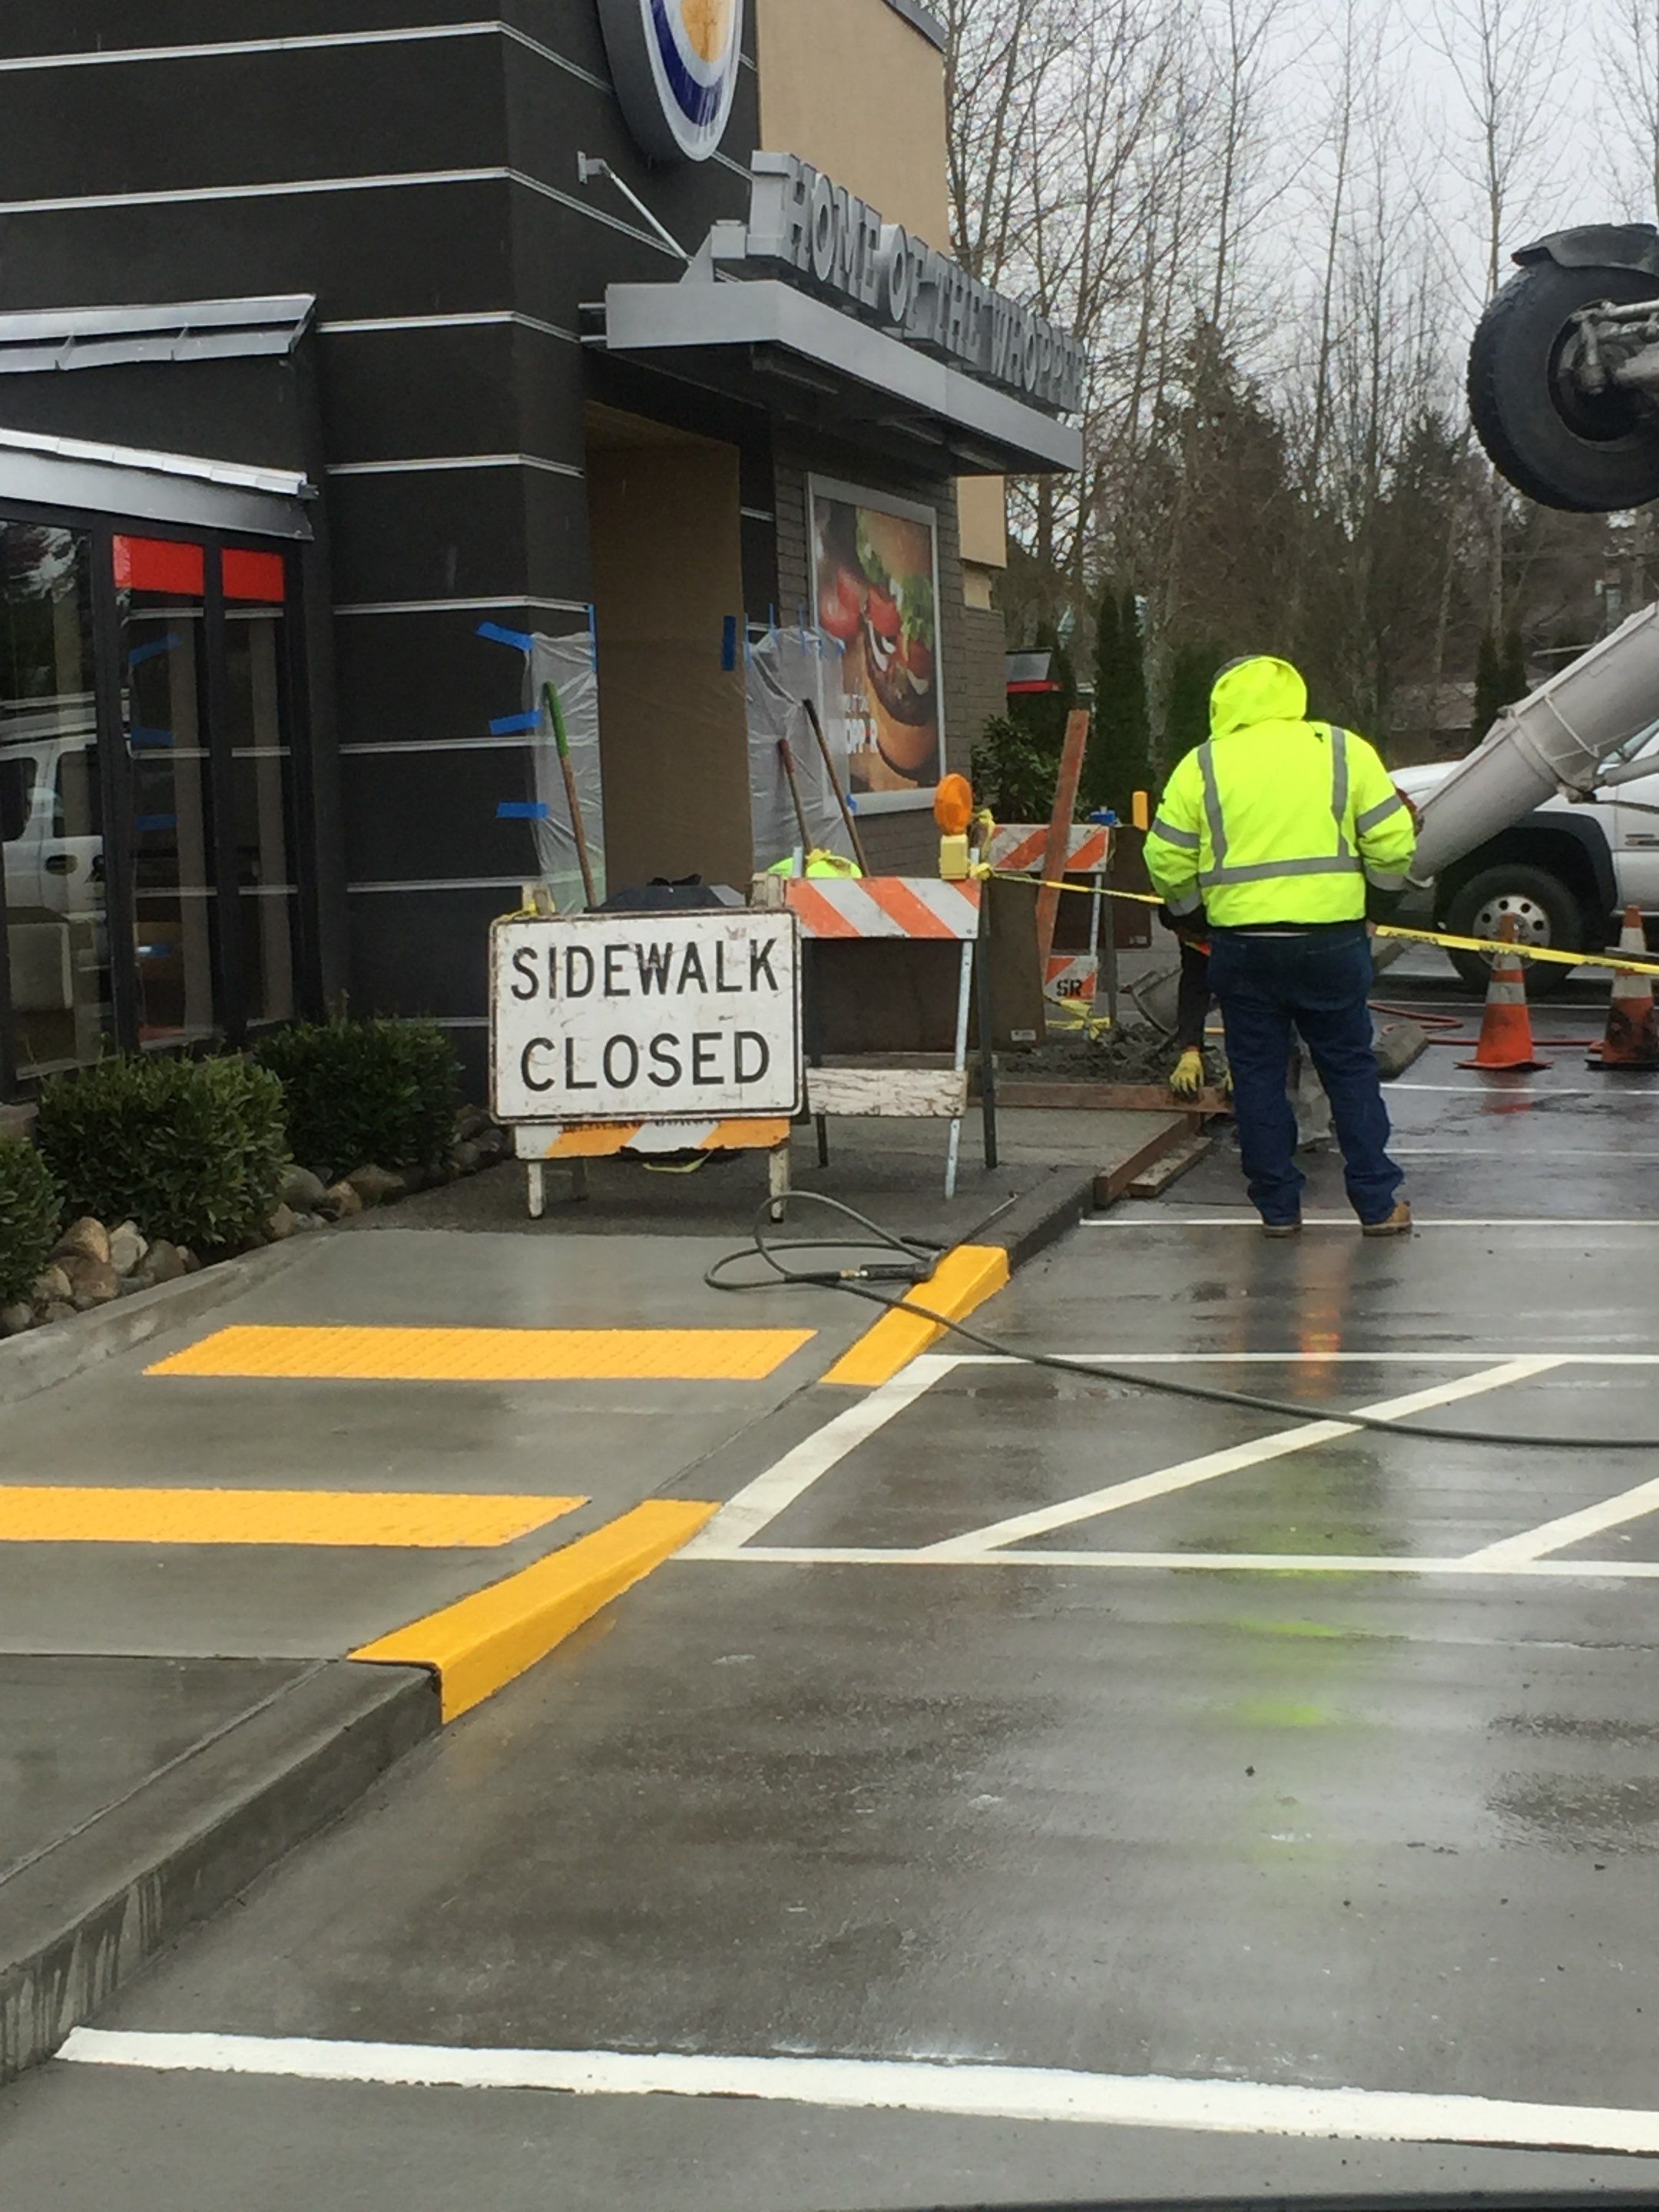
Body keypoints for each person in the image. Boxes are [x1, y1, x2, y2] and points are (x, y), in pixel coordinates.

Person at [1144, 654, 1417, 1237]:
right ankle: (1376, 1204)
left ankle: (1277, 1209)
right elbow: (1393, 842)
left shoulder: (1204, 766)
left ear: (1222, 703)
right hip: (1333, 942)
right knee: (1349, 1069)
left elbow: (1165, 857)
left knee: (1260, 1075)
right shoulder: (1343, 750)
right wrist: (1378, 906)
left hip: (1243, 947)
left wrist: (1192, 921)